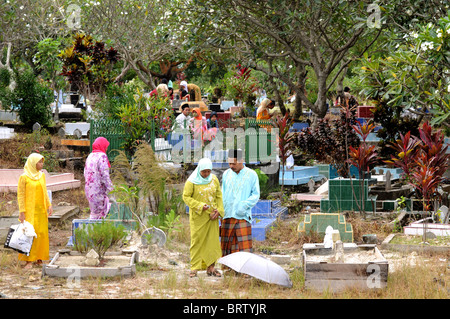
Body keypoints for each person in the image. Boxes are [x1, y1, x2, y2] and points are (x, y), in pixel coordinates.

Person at [182, 158, 224, 278]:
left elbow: (219, 196)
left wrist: (219, 211)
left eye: (208, 171)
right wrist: (200, 206)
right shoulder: (191, 182)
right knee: (197, 242)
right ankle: (194, 268)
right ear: (199, 169)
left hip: (213, 217)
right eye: (204, 171)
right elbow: (186, 197)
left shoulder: (214, 179)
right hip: (198, 218)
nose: (206, 174)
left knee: (212, 242)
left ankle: (211, 267)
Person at [220, 149, 260, 257]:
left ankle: (245, 272)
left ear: (241, 160)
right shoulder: (226, 174)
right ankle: (229, 269)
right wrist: (220, 209)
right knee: (227, 244)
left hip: (242, 215)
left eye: (234, 163)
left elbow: (256, 195)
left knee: (243, 245)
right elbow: (222, 193)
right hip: (227, 214)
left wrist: (244, 205)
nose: (231, 166)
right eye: (229, 163)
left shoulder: (251, 174)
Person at [17, 153, 53, 269]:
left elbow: (45, 191)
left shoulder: (41, 176)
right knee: (29, 234)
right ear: (33, 163)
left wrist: (49, 205)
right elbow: (21, 195)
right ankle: (28, 261)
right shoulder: (24, 177)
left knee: (41, 233)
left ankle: (39, 258)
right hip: (29, 211)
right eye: (39, 162)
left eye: (42, 162)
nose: (42, 164)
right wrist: (22, 211)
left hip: (41, 210)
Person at [84, 137, 113, 219]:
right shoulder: (102, 156)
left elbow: (85, 172)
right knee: (101, 214)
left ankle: (90, 229)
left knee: (94, 212)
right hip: (98, 190)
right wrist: (111, 189)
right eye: (106, 146)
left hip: (89, 190)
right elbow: (105, 175)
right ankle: (98, 230)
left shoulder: (90, 156)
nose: (107, 149)